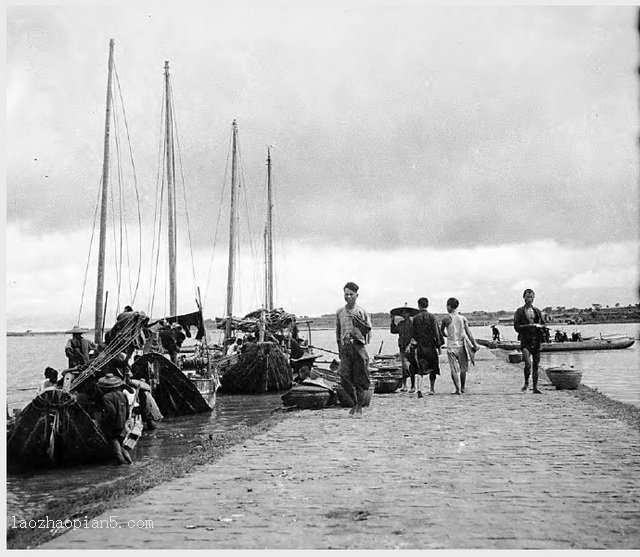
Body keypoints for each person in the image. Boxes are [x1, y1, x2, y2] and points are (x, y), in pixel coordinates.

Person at [336, 281, 372, 418]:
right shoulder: (340, 312)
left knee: (359, 379)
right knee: (343, 376)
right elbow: (338, 332)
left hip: (358, 346)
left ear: (357, 295)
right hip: (345, 347)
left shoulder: (361, 312)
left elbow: (368, 331)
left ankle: (359, 407)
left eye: (351, 294)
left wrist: (360, 336)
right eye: (346, 294)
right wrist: (340, 348)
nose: (348, 297)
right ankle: (354, 403)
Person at [440, 298, 479, 395]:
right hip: (462, 346)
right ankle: (463, 387)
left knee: (453, 369)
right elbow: (468, 333)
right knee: (463, 369)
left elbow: (441, 332)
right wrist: (474, 344)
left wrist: (447, 335)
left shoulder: (446, 318)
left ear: (449, 306)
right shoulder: (463, 318)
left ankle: (457, 389)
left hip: (451, 347)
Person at [409, 297, 444, 397]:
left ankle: (419, 389)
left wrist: (412, 345)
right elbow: (436, 333)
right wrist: (439, 346)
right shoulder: (432, 317)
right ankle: (432, 389)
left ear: (419, 305)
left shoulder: (415, 318)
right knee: (433, 368)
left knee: (421, 368)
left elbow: (413, 334)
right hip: (431, 346)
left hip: (420, 346)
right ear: (427, 305)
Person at [513, 288, 546, 394]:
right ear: (524, 298)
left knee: (536, 365)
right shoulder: (519, 311)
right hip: (525, 341)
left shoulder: (537, 311)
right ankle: (526, 382)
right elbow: (516, 327)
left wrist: (540, 327)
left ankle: (535, 387)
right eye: (527, 297)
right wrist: (529, 326)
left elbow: (544, 324)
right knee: (528, 364)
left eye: (531, 297)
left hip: (536, 340)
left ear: (534, 298)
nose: (529, 299)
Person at [97, 373, 133, 465]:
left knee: (115, 444)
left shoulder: (107, 397)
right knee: (120, 444)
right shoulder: (122, 395)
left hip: (113, 424)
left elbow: (111, 412)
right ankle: (129, 462)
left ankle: (121, 464)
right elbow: (128, 411)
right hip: (122, 423)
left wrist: (103, 420)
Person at [390, 308, 416, 392]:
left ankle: (413, 386)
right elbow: (393, 331)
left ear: (409, 314)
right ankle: (404, 386)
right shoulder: (401, 323)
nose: (404, 315)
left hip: (411, 347)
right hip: (402, 346)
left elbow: (415, 336)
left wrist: (410, 345)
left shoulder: (413, 324)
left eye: (406, 313)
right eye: (403, 313)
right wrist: (392, 321)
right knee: (404, 366)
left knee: (411, 366)